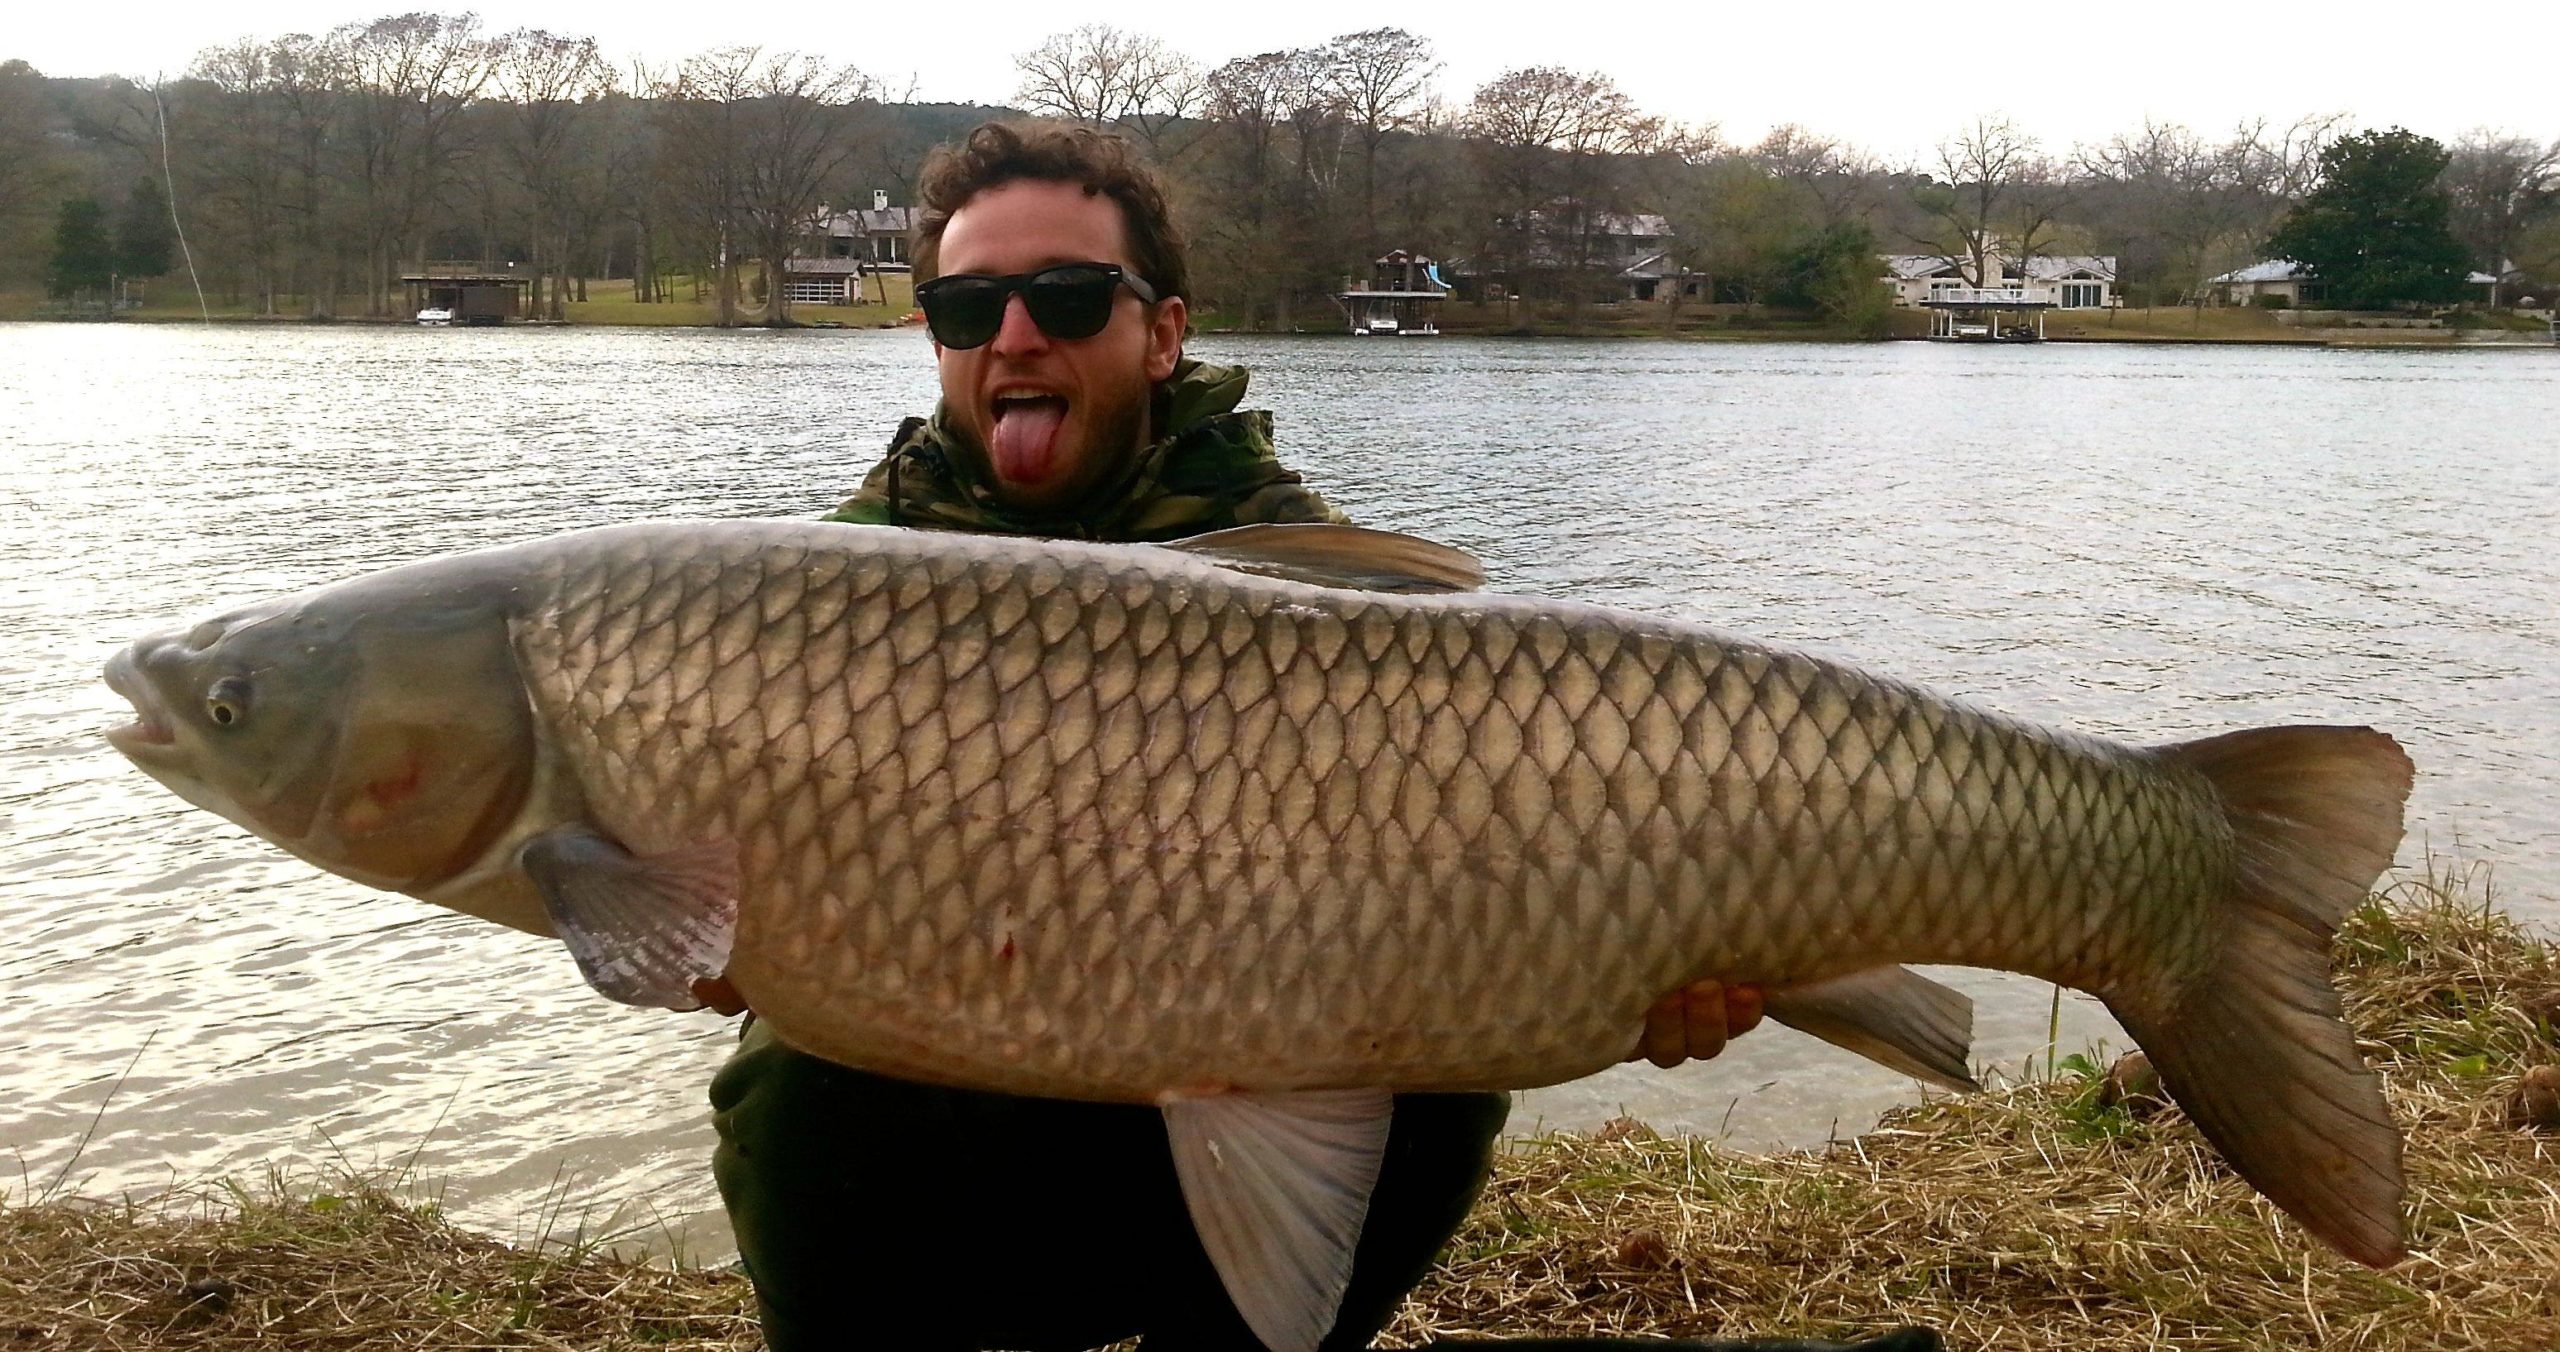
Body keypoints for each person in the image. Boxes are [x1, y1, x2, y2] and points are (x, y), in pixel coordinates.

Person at [702, 120, 1934, 1352]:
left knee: (1437, 1073)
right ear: (937, 335)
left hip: (1250, 1103)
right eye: (969, 307)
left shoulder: (1311, 573)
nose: (1016, 336)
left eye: (1069, 297)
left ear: (1163, 331)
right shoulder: (838, 588)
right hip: (954, 1103)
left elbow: (1518, 845)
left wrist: (1660, 951)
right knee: (791, 1077)